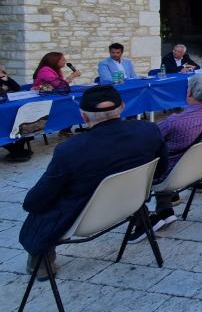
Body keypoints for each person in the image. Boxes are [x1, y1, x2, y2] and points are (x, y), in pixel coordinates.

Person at [19, 85, 167, 278]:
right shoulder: (148, 130)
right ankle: (141, 220)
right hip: (132, 201)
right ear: (122, 106)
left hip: (86, 218)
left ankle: (41, 261)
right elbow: (161, 169)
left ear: (84, 117)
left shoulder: (71, 150)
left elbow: (34, 202)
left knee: (42, 205)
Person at [142, 74, 202, 233]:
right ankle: (165, 210)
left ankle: (143, 218)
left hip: (170, 174)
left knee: (141, 160)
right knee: (171, 153)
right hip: (198, 169)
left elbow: (151, 139)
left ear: (190, 93)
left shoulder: (175, 121)